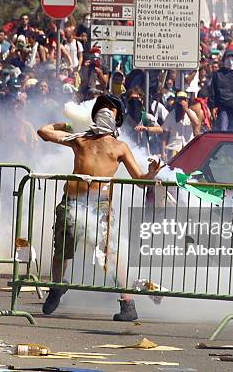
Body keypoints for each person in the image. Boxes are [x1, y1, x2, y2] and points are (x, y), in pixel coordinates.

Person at [37, 94, 160, 321]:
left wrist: (152, 173)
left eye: (111, 109)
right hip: (72, 202)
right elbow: (44, 132)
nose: (105, 111)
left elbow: (141, 179)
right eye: (102, 107)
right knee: (61, 251)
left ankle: (127, 303)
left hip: (100, 207)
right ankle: (56, 288)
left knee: (109, 254)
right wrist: (68, 124)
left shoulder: (119, 147)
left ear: (117, 118)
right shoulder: (80, 138)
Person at [144, 91, 201, 160]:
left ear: (187, 101)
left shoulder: (191, 113)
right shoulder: (171, 115)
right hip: (174, 149)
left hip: (188, 148)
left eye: (183, 100)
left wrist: (186, 110)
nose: (180, 103)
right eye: (179, 100)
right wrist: (163, 152)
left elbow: (197, 124)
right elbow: (164, 132)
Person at [210, 50, 233, 131]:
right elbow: (213, 91)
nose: (230, 60)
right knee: (223, 130)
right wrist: (213, 107)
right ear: (224, 59)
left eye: (232, 57)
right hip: (223, 107)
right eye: (228, 57)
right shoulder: (218, 74)